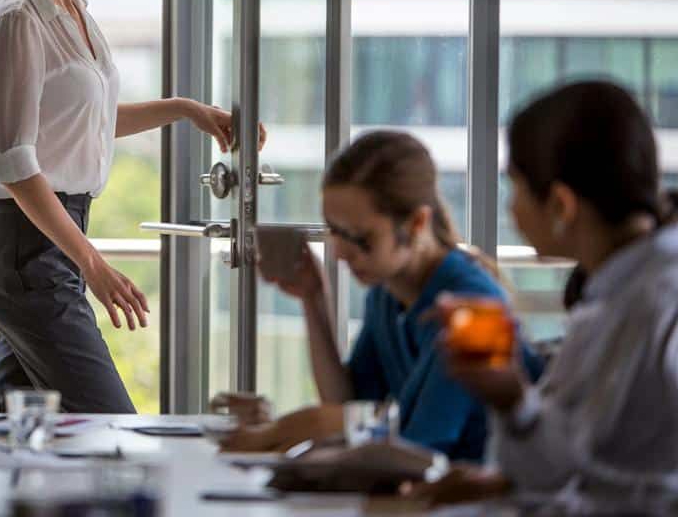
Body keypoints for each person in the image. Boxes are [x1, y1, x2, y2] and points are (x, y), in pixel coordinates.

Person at [0, 0, 263, 414]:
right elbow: (15, 163)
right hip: (26, 246)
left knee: (22, 436)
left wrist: (185, 109)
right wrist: (93, 265)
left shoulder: (74, 10)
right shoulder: (18, 21)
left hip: (53, 239)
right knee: (111, 426)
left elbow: (90, 119)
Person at [435, 81, 678, 510]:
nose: (511, 209)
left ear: (560, 205)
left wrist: (515, 407)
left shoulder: (653, 306)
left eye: (514, 187)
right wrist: (512, 414)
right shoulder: (626, 291)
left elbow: (631, 496)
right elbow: (583, 463)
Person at [226, 130, 541, 461]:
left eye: (360, 238)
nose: (340, 254)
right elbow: (350, 404)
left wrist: (286, 431)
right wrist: (313, 299)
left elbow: (419, 448)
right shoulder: (386, 292)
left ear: (417, 223)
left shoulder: (471, 304)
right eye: (334, 230)